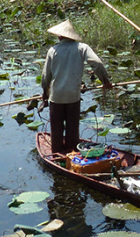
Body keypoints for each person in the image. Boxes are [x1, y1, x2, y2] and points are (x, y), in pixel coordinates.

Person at [41, 20, 112, 155]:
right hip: (73, 96)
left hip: (57, 97)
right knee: (72, 131)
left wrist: (45, 92)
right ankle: (72, 154)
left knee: (56, 131)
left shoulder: (53, 50)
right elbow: (96, 63)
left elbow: (46, 76)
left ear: (60, 36)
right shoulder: (82, 48)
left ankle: (57, 155)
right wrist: (105, 81)